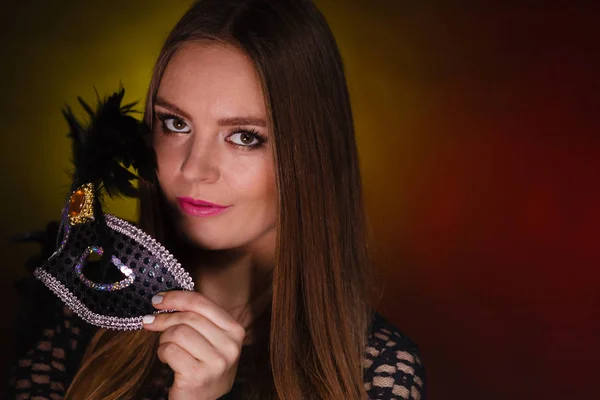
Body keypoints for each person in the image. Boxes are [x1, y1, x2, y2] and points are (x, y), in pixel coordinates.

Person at [6, 0, 426, 398]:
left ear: (311, 154)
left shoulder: (375, 371)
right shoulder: (72, 321)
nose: (195, 169)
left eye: (245, 137)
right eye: (175, 124)